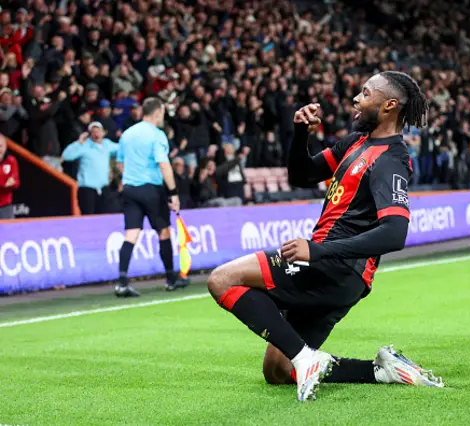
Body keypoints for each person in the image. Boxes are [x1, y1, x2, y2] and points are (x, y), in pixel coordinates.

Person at [206, 71, 444, 402]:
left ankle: (307, 359)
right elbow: (302, 174)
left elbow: (395, 233)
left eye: (365, 93)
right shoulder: (356, 142)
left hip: (334, 267)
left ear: (389, 105)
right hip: (338, 273)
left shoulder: (391, 159)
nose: (356, 100)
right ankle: (381, 371)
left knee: (223, 279)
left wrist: (317, 252)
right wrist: (300, 133)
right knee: (276, 370)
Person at [115, 97, 189, 297]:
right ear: (157, 113)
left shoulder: (127, 134)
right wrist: (173, 193)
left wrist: (131, 176)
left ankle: (122, 282)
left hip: (130, 188)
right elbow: (164, 165)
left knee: (131, 234)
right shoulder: (157, 135)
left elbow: (119, 164)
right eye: (163, 113)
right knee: (163, 232)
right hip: (151, 190)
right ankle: (171, 279)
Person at [61, 122, 119, 215]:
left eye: (98, 131)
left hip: (103, 189)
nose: (96, 134)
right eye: (93, 132)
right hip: (87, 189)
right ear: (90, 134)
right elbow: (66, 156)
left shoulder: (107, 144)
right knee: (88, 218)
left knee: (104, 217)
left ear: (103, 133)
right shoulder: (84, 145)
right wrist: (78, 142)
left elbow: (122, 149)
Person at [0, 135, 20, 219]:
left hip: (5, 206)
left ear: (5, 147)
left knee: (10, 231)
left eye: (0, 146)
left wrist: (8, 183)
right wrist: (5, 182)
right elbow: (4, 183)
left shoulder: (11, 160)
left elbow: (16, 183)